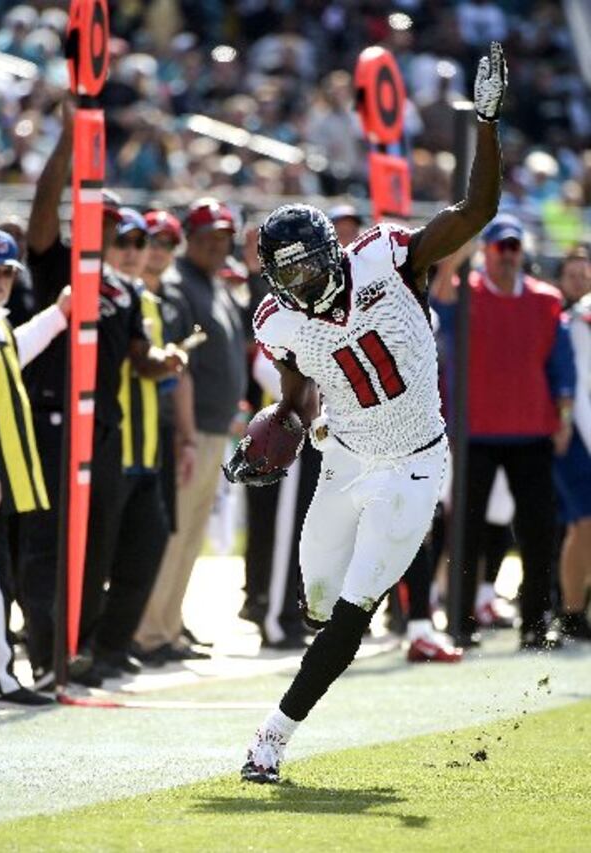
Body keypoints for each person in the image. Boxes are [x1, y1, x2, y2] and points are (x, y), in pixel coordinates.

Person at [224, 43, 507, 783]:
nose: (306, 282)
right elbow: (295, 400)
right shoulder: (276, 322)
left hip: (413, 462)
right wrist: (271, 436)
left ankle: (270, 739)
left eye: (312, 265)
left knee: (349, 610)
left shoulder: (389, 257)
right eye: (290, 276)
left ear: (332, 251)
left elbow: (477, 209)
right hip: (342, 454)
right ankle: (323, 637)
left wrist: (483, 121)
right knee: (314, 597)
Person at [17, 101, 186, 690]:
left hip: (106, 429)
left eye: (124, 231)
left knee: (96, 547)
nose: (117, 237)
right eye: (109, 226)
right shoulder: (60, 266)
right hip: (55, 423)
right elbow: (41, 214)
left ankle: (80, 646)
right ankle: (43, 654)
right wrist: (67, 142)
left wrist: (163, 360)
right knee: (48, 545)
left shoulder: (121, 288)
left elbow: (139, 354)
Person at [435, 211, 576, 651]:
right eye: (501, 247)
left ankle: (535, 622)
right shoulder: (466, 294)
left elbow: (560, 364)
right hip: (477, 432)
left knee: (537, 532)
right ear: (487, 252)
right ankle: (459, 621)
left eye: (515, 248)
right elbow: (439, 298)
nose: (509, 256)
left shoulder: (545, 300)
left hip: (532, 430)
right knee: (466, 531)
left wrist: (564, 416)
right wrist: (457, 255)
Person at [134, 197, 247, 656]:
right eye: (209, 237)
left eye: (224, 237)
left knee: (192, 534)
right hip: (191, 429)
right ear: (190, 239)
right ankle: (149, 631)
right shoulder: (180, 286)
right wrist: (182, 434)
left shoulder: (214, 285)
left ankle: (170, 623)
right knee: (175, 533)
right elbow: (180, 368)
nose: (219, 245)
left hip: (214, 428)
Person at [0, 229, 69, 705]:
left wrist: (58, 317)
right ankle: (0, 676)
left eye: (6, 272)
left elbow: (12, 353)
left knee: (1, 575)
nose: (0, 281)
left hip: (6, 472)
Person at [553, 247, 591, 640]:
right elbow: (577, 392)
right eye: (574, 273)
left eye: (586, 273)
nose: (581, 280)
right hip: (576, 436)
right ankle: (571, 610)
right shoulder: (577, 319)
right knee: (584, 525)